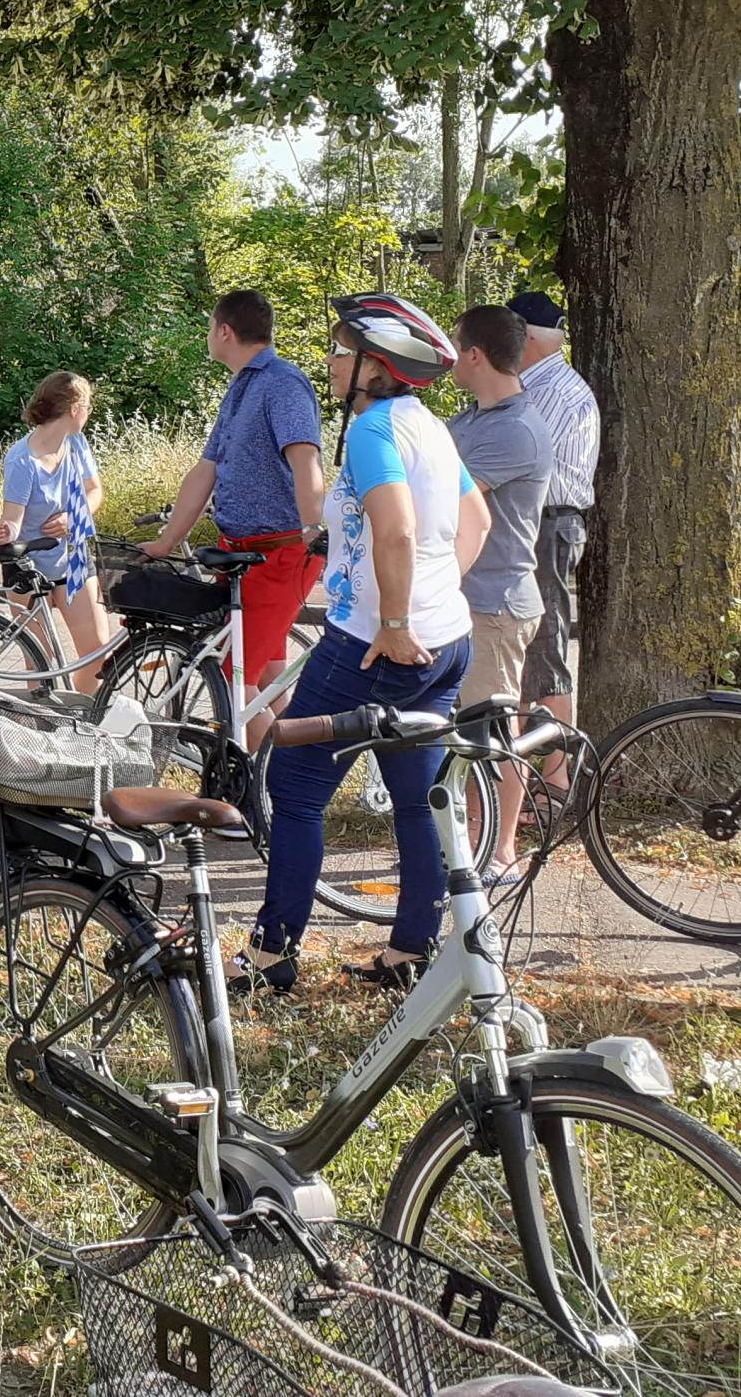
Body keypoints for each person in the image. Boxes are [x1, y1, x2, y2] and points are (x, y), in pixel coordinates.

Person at [236, 294, 489, 995]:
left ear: (377, 366)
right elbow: (477, 520)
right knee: (416, 797)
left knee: (295, 784)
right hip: (446, 638)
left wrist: (398, 619)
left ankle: (270, 956)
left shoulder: (377, 429)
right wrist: (433, 598)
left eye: (341, 352)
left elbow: (398, 529)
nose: (330, 362)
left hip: (375, 646)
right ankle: (411, 952)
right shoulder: (428, 427)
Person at [143, 290, 326, 731]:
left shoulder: (283, 382)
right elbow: (207, 469)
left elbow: (306, 458)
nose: (208, 335)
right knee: (266, 680)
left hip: (277, 554)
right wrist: (167, 540)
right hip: (243, 556)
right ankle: (292, 774)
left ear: (225, 331)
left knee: (233, 690)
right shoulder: (242, 384)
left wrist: (313, 529)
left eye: (210, 327)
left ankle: (263, 792)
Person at [447, 304, 555, 884]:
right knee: (457, 731)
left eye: (456, 344)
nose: (449, 356)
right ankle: (465, 841)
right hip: (461, 600)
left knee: (493, 731)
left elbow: (445, 499)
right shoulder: (470, 421)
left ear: (474, 354)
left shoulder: (516, 429)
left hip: (495, 606)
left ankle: (501, 851)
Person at [506, 289, 600, 731]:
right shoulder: (543, 384)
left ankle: (557, 775)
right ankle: (528, 768)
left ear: (523, 336)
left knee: (544, 641)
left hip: (547, 523)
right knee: (531, 638)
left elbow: (515, 461)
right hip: (543, 522)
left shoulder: (549, 391)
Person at [0, 371, 113, 692]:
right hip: (30, 566)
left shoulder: (76, 443)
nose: (89, 412)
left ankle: (85, 722)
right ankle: (44, 726)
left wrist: (74, 516)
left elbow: (95, 491)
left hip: (72, 558)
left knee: (97, 654)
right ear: (74, 409)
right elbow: (13, 521)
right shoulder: (22, 460)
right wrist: (5, 531)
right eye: (88, 405)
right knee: (40, 666)